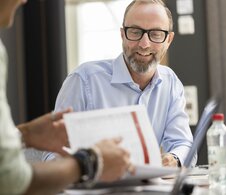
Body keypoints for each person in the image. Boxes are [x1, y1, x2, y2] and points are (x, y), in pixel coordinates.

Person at [0, 0, 132, 194]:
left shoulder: (171, 82)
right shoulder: (83, 77)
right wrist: (90, 162)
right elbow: (10, 180)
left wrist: (25, 135)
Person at [54, 0, 197, 167]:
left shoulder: (170, 82)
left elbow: (184, 144)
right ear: (122, 34)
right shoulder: (84, 80)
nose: (144, 44)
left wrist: (174, 159)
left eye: (156, 34)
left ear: (169, 40)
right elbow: (53, 152)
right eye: (135, 32)